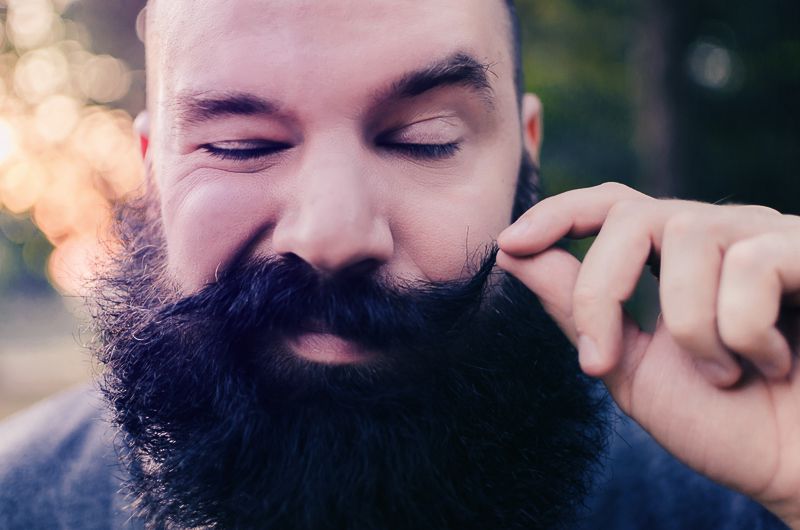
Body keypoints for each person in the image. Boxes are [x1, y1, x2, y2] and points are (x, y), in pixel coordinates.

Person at [1, 0, 798, 528]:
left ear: (525, 160)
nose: (334, 233)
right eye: (241, 146)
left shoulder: (737, 497)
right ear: (154, 172)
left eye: (425, 139)